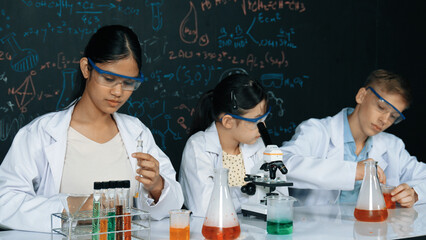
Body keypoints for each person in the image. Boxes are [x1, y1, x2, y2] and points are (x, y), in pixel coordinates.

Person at [0, 25, 183, 232]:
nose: (118, 92)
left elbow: (173, 205)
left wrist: (157, 187)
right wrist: (72, 206)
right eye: (109, 79)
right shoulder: (41, 133)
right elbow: (4, 202)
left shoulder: (137, 133)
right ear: (87, 68)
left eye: (128, 83)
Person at [281, 69, 425, 207]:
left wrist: (415, 193)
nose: (384, 120)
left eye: (393, 116)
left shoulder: (393, 146)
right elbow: (282, 164)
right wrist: (353, 171)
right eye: (381, 107)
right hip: (317, 230)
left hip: (370, 230)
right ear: (361, 96)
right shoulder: (317, 131)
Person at [179, 69, 288, 217]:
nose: (263, 128)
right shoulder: (198, 147)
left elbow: (280, 199)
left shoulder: (257, 144)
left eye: (264, 119)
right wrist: (251, 195)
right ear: (228, 121)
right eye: (256, 121)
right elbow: (206, 207)